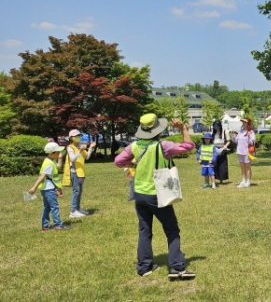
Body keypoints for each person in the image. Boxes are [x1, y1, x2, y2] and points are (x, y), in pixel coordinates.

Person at [114, 114, 196, 279]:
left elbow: (118, 161)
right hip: (158, 194)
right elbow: (189, 145)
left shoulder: (134, 146)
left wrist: (132, 164)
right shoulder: (163, 146)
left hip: (139, 195)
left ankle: (144, 267)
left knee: (144, 230)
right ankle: (177, 268)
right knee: (171, 229)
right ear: (158, 129)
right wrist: (183, 129)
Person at [29, 142, 71, 231]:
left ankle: (45, 226)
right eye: (58, 152)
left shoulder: (51, 160)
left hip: (47, 188)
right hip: (48, 189)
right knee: (54, 207)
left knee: (47, 207)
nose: (60, 153)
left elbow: (59, 167)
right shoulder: (49, 164)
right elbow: (42, 176)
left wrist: (60, 158)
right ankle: (58, 225)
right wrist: (34, 187)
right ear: (52, 153)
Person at [64, 129, 96, 219]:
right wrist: (80, 151)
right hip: (74, 172)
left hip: (81, 172)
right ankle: (73, 211)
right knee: (76, 191)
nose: (78, 137)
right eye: (76, 136)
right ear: (71, 138)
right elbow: (73, 159)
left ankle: (78, 209)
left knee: (79, 191)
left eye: (79, 136)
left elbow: (87, 157)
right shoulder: (70, 147)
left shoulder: (80, 146)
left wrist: (91, 148)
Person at [231, 118, 256, 188]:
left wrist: (248, 137)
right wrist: (233, 135)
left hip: (247, 152)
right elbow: (236, 141)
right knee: (242, 167)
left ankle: (248, 181)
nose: (243, 123)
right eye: (243, 122)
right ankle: (243, 180)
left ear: (248, 123)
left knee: (247, 167)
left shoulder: (251, 132)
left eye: (245, 122)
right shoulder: (241, 131)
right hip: (240, 151)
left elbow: (252, 142)